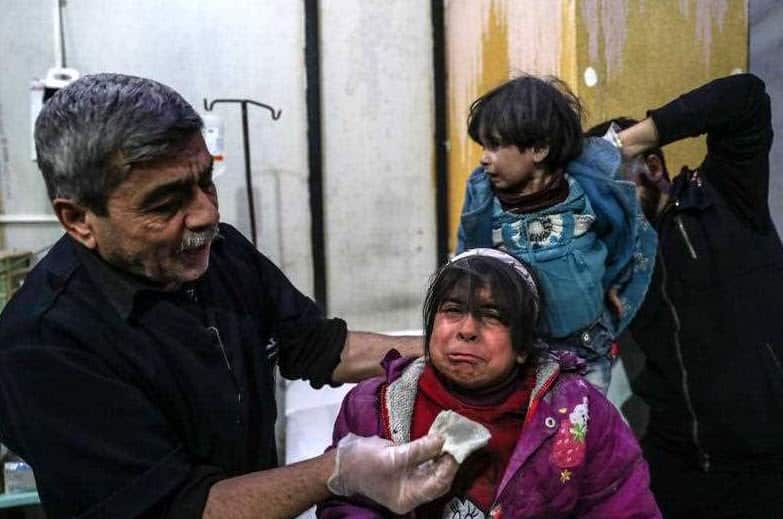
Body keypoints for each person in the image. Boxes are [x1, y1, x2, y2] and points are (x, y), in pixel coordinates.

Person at [0, 73, 458, 519]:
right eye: (165, 204)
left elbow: (318, 345)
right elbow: (182, 507)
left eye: (206, 181)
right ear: (79, 219)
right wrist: (337, 471)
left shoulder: (219, 254)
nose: (206, 214)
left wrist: (442, 350)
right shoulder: (45, 346)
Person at [317, 248, 662, 518]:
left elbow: (620, 505)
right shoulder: (374, 407)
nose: (466, 330)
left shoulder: (580, 414)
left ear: (524, 345)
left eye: (493, 316)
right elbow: (346, 505)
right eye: (452, 310)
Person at [586, 73, 783, 518]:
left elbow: (746, 96)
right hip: (683, 469)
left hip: (771, 465)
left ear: (652, 168)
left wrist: (623, 143)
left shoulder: (726, 197)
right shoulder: (609, 264)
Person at [455, 74, 657, 394]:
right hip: (521, 354)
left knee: (577, 434)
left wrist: (615, 282)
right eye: (483, 146)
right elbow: (469, 261)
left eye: (494, 146)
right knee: (531, 435)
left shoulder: (584, 190)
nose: (484, 158)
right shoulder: (485, 200)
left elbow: (620, 233)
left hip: (587, 349)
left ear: (538, 149)